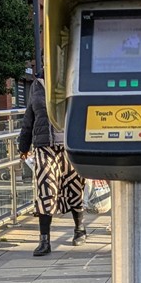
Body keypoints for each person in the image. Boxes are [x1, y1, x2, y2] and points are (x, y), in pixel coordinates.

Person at [18, 75, 86, 256]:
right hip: (43, 146)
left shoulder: (71, 79)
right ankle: (44, 240)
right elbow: (29, 116)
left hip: (68, 144)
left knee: (74, 186)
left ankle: (80, 228)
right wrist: (23, 146)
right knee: (45, 188)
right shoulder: (37, 85)